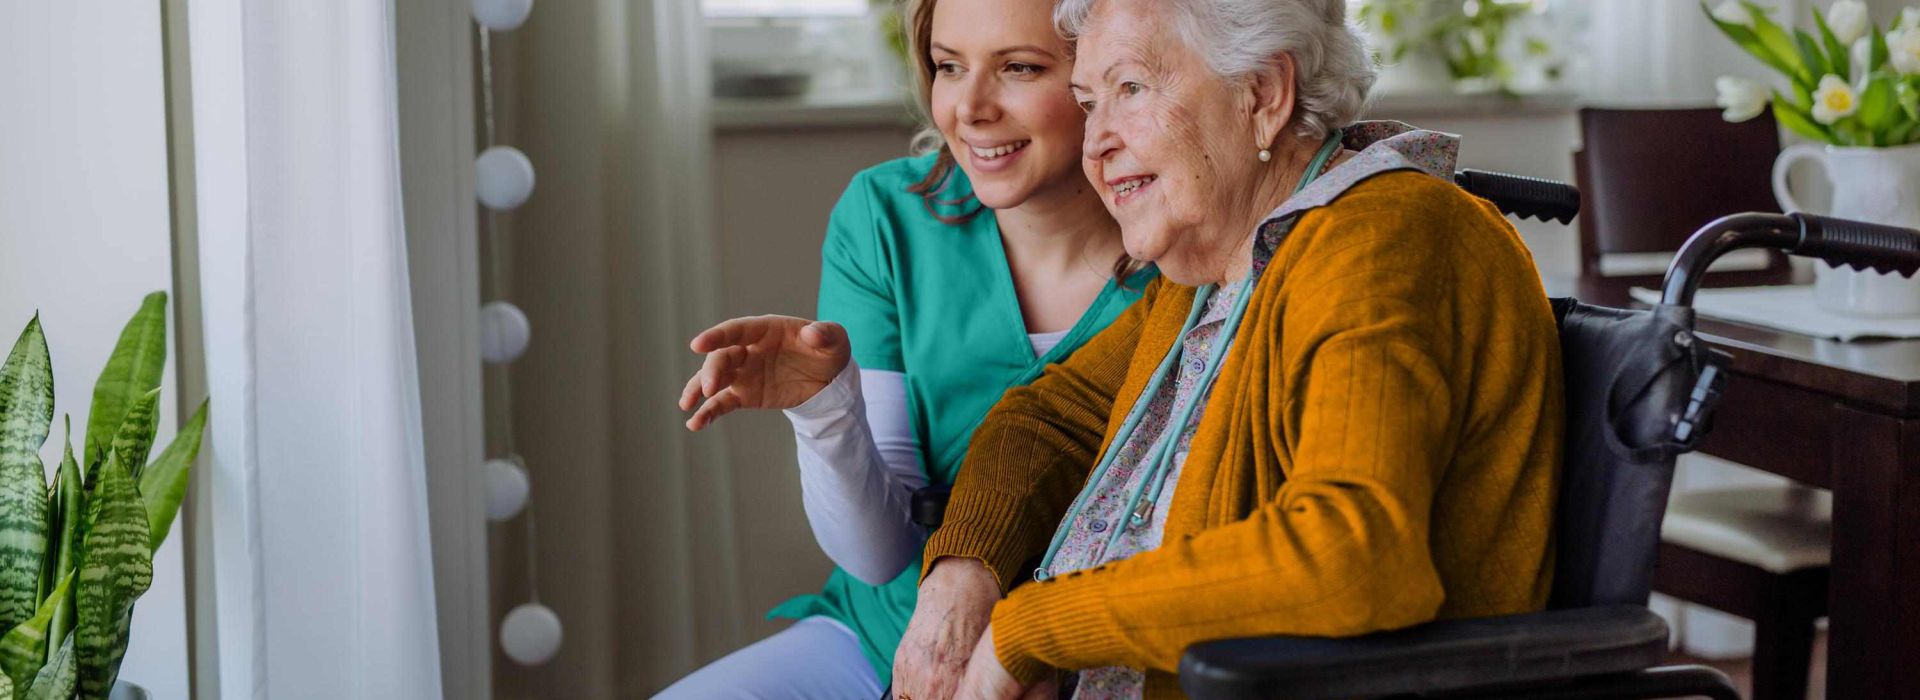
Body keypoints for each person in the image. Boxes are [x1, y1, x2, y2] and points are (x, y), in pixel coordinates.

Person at [891, 0, 1565, 698]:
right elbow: (1046, 419)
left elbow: (1353, 558)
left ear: (1263, 95)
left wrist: (1032, 631)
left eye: (1131, 89)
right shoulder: (1219, 269)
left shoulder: (1381, 239)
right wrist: (966, 571)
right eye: (1090, 103)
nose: (1097, 143)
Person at [657, 0, 1156, 694]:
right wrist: (826, 409)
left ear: (1108, 76)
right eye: (949, 66)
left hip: (1078, 660)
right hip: (884, 636)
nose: (970, 108)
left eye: (1018, 68)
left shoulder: (1179, 247)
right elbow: (878, 555)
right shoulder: (887, 217)